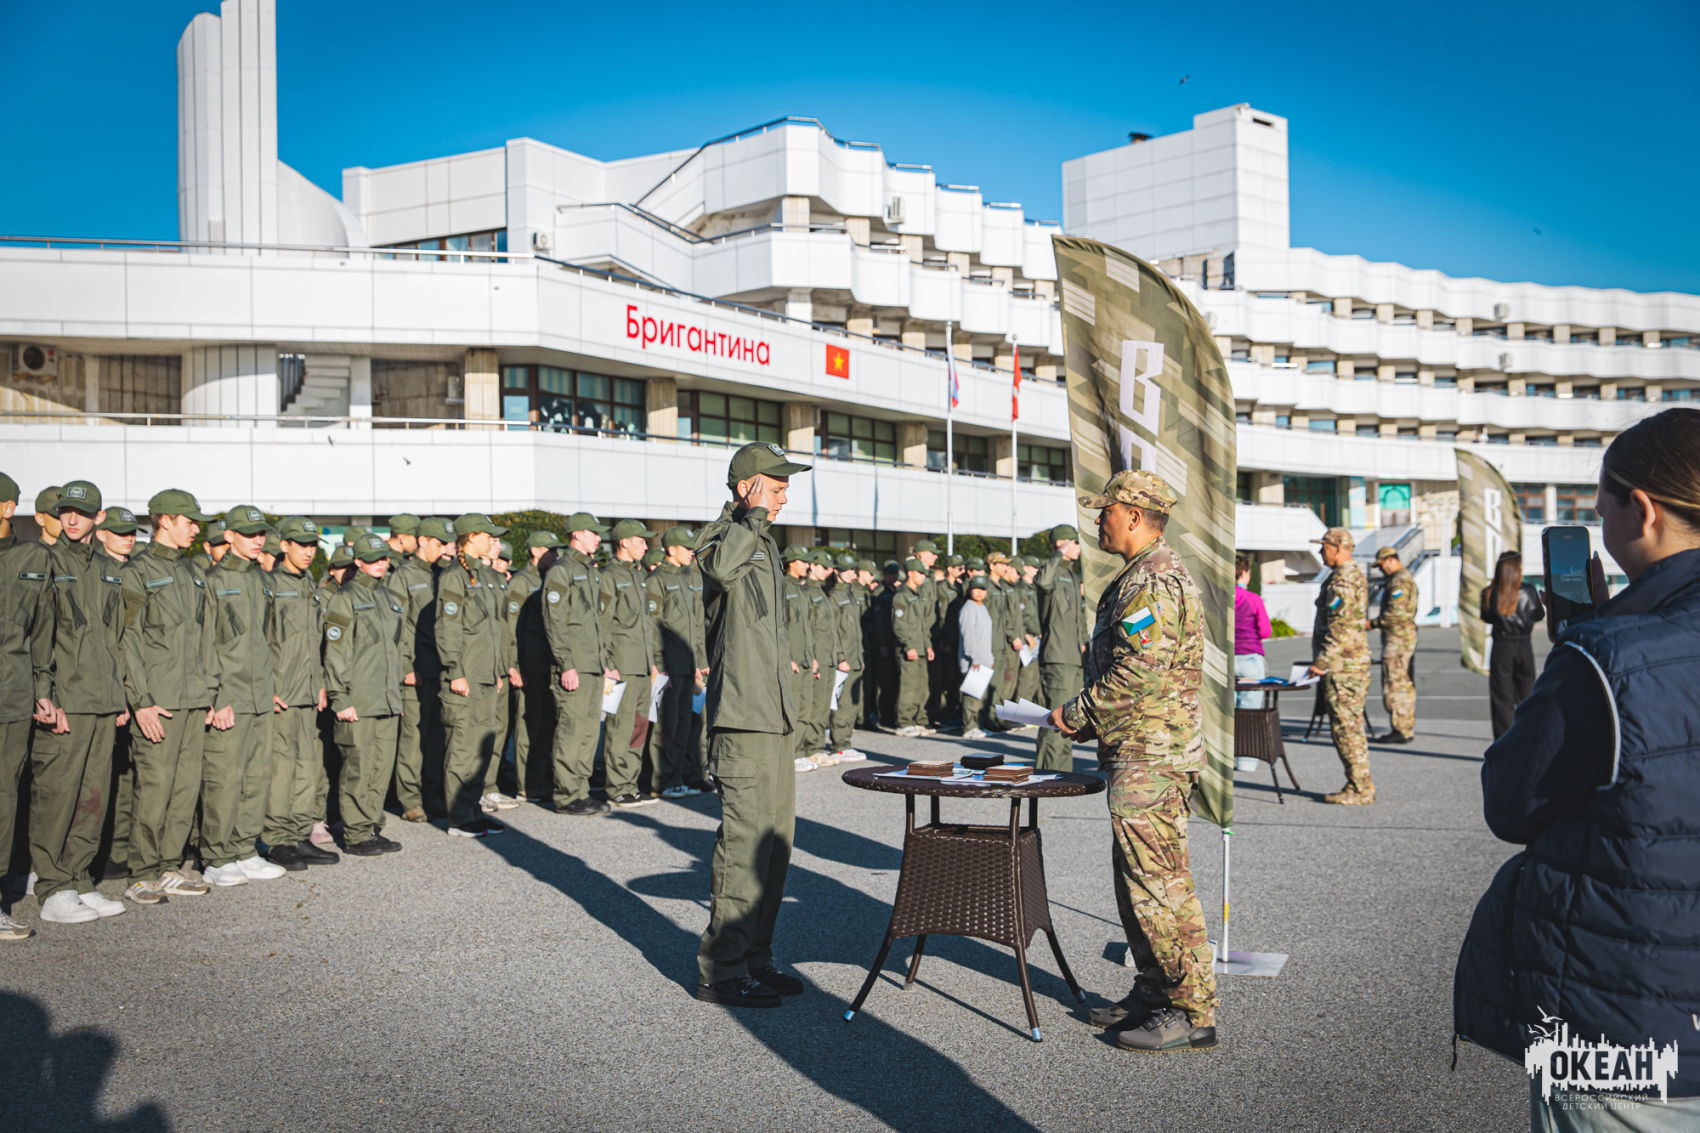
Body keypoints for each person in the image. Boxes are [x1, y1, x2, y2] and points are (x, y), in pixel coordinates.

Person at [1455, 407, 1700, 1127]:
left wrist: (1588, 641)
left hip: (1623, 1029)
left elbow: (1510, 802)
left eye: (1602, 509)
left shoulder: (1606, 656)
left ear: (1643, 510)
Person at [1048, 470, 1218, 1053]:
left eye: (1107, 511)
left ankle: (1189, 1010)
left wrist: (1077, 711)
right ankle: (1153, 991)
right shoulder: (1138, 575)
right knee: (1137, 882)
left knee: (1160, 884)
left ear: (1136, 516)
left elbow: (1139, 672)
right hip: (1140, 749)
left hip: (1153, 754)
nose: (1099, 519)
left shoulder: (1154, 580)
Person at [695, 441, 813, 1010]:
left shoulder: (763, 543)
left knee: (774, 846)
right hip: (741, 719)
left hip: (773, 716)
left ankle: (755, 957)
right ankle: (721, 970)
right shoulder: (723, 537)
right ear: (748, 487)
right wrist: (754, 513)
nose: (785, 497)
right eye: (777, 486)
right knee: (743, 847)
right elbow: (719, 570)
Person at [28, 481, 131, 923]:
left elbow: (117, 637)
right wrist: (45, 693)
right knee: (56, 795)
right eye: (65, 511)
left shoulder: (109, 568)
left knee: (93, 796)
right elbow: (38, 633)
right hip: (66, 699)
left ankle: (79, 880)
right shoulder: (45, 561)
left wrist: (121, 694)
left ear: (99, 518)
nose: (71, 519)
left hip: (102, 698)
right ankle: (52, 887)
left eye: (82, 513)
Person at [118, 490, 219, 907]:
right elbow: (128, 639)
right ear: (164, 520)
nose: (195, 529)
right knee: (155, 788)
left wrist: (210, 692)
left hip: (193, 698)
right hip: (159, 700)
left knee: (184, 789)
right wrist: (140, 701)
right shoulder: (138, 571)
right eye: (189, 521)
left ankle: (168, 866)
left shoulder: (193, 572)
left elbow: (206, 636)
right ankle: (141, 874)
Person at [199, 505, 287, 887]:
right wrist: (216, 696)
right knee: (224, 778)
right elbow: (204, 644)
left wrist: (272, 687)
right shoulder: (213, 581)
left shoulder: (263, 580)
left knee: (256, 775)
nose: (257, 540)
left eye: (261, 534)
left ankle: (245, 849)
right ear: (229, 536)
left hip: (260, 694)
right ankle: (217, 857)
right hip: (229, 694)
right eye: (249, 534)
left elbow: (270, 640)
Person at [324, 534, 406, 857]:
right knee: (358, 767)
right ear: (358, 562)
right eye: (373, 559)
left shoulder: (389, 597)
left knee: (381, 769)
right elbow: (337, 652)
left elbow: (396, 650)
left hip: (386, 699)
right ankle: (356, 834)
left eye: (384, 558)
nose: (381, 564)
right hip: (358, 698)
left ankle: (372, 826)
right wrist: (340, 697)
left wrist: (396, 694)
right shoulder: (345, 598)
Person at [261, 517, 336, 871]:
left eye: (312, 546)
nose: (308, 552)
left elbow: (314, 641)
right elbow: (261, 640)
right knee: (282, 768)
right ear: (284, 546)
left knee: (308, 767)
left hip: (307, 691)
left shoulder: (309, 584)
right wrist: (268, 687)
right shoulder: (271, 584)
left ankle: (299, 833)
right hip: (282, 692)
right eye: (301, 545)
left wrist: (319, 682)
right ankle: (278, 839)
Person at [436, 513, 511, 837]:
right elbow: (448, 626)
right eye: (487, 535)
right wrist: (455, 670)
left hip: (485, 674)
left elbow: (493, 630)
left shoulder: (486, 575)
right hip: (465, 674)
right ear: (470, 537)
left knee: (482, 744)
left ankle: (472, 808)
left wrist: (497, 670)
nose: (492, 540)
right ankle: (458, 816)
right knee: (463, 747)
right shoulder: (455, 576)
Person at [0, 472, 48, 939]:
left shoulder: (31, 559)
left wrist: (44, 688)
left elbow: (42, 631)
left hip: (11, 698)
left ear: (7, 508)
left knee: (3, 797)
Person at [543, 512, 614, 817]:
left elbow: (597, 622)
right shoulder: (562, 571)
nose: (598, 538)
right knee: (571, 730)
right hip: (574, 664)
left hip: (593, 663)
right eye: (593, 533)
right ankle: (566, 794)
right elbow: (555, 621)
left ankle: (581, 791)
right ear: (577, 534)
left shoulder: (590, 571)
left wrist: (605, 661)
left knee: (588, 731)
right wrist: (566, 664)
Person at [1307, 528, 1374, 804]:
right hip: (1349, 664)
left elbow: (1340, 627)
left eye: (1324, 547)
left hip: (1343, 667)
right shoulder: (1348, 575)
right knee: (1349, 726)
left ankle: (1360, 788)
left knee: (1346, 728)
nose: (1320, 551)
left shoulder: (1343, 580)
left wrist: (1321, 662)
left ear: (1338, 547)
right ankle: (1359, 783)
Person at [391, 516, 450, 822]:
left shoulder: (443, 575)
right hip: (415, 667)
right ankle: (410, 798)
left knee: (437, 736)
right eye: (439, 543)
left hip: (440, 667)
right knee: (413, 738)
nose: (443, 549)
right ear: (423, 541)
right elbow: (396, 624)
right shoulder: (403, 576)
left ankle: (434, 794)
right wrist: (405, 665)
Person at [599, 519, 662, 807]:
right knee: (621, 727)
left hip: (642, 664)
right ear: (624, 542)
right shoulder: (609, 576)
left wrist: (652, 661)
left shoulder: (637, 576)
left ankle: (631, 783)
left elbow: (645, 625)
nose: (645, 546)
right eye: (640, 541)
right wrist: (607, 662)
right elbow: (603, 623)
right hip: (622, 664)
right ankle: (617, 786)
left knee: (639, 725)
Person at [91, 508, 139, 883]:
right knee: (104, 777)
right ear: (101, 534)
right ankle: (103, 852)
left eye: (131, 533)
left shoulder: (136, 572)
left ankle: (121, 850)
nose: (128, 539)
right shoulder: (95, 571)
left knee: (130, 775)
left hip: (140, 687)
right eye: (120, 533)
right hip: (110, 689)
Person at [647, 526, 709, 799]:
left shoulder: (688, 578)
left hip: (688, 664)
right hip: (669, 664)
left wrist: (700, 660)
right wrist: (658, 664)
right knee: (667, 725)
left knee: (687, 722)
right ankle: (663, 780)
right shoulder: (657, 580)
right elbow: (652, 625)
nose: (691, 552)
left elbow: (696, 625)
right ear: (671, 549)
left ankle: (684, 775)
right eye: (686, 547)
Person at [508, 530, 560, 800]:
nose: (555, 555)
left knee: (546, 725)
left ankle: (541, 777)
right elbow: (510, 626)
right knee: (529, 724)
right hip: (528, 664)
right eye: (550, 550)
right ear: (535, 551)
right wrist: (513, 665)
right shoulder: (521, 582)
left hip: (547, 662)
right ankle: (526, 782)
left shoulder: (550, 579)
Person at [1034, 524, 1086, 770]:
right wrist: (1057, 554)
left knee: (1068, 721)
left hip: (1073, 657)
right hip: (1057, 656)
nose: (1078, 547)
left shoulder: (1072, 576)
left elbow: (1078, 618)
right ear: (1060, 543)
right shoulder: (1051, 571)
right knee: (1054, 719)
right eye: (1074, 542)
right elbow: (1042, 582)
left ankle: (1063, 774)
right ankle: (1046, 774)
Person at [1480, 550, 1543, 740]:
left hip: (1502, 646)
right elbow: (1538, 615)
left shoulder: (1489, 592)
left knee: (1502, 699)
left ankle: (1504, 742)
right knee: (1528, 696)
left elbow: (1486, 616)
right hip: (1524, 645)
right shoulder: (1528, 590)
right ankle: (1530, 739)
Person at [1369, 546, 1419, 744]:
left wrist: (1372, 623)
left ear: (1391, 560)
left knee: (1395, 684)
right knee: (1403, 683)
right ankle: (1404, 727)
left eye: (1382, 565)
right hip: (1402, 639)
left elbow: (1396, 613)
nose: (1381, 570)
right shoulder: (1401, 579)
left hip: (1397, 640)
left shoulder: (1399, 581)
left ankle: (1400, 728)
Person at [780, 546, 819, 771]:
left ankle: (800, 752)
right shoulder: (783, 587)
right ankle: (790, 755)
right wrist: (787, 657)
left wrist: (812, 656)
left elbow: (807, 627)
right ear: (791, 563)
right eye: (803, 561)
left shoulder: (801, 590)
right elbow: (781, 626)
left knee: (805, 708)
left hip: (805, 658)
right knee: (792, 708)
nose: (807, 565)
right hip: (792, 659)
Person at [800, 550, 841, 767]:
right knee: (814, 706)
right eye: (824, 567)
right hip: (817, 656)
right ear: (813, 566)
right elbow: (807, 628)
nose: (828, 571)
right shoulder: (806, 592)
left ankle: (816, 746)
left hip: (829, 656)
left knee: (824, 706)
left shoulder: (822, 592)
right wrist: (813, 656)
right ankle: (809, 748)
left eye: (830, 568)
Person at [826, 553, 867, 763]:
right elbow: (833, 632)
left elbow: (855, 631)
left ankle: (846, 742)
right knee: (842, 705)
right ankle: (839, 745)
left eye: (853, 570)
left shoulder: (851, 594)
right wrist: (840, 657)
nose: (851, 573)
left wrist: (859, 656)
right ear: (836, 571)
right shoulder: (833, 596)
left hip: (855, 657)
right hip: (843, 659)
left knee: (852, 704)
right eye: (847, 570)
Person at [890, 558, 934, 738]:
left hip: (921, 646)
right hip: (909, 648)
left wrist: (928, 645)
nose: (923, 577)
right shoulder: (901, 596)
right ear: (910, 573)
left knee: (922, 686)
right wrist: (909, 646)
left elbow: (924, 625)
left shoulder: (919, 595)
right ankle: (904, 722)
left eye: (924, 574)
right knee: (909, 686)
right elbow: (899, 624)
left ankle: (918, 719)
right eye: (920, 573)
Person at [957, 576, 995, 740]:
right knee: (971, 695)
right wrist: (976, 659)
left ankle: (977, 725)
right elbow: (968, 636)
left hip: (984, 659)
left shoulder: (982, 607)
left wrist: (989, 657)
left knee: (980, 696)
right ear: (969, 590)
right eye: (976, 588)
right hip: (973, 661)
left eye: (983, 589)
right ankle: (969, 727)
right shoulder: (968, 608)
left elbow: (986, 635)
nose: (980, 592)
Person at [1232, 554, 1273, 709]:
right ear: (1243, 573)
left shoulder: (1221, 598)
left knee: (1228, 712)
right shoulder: (1253, 599)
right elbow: (1265, 631)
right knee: (1249, 711)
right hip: (1250, 658)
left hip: (1227, 658)